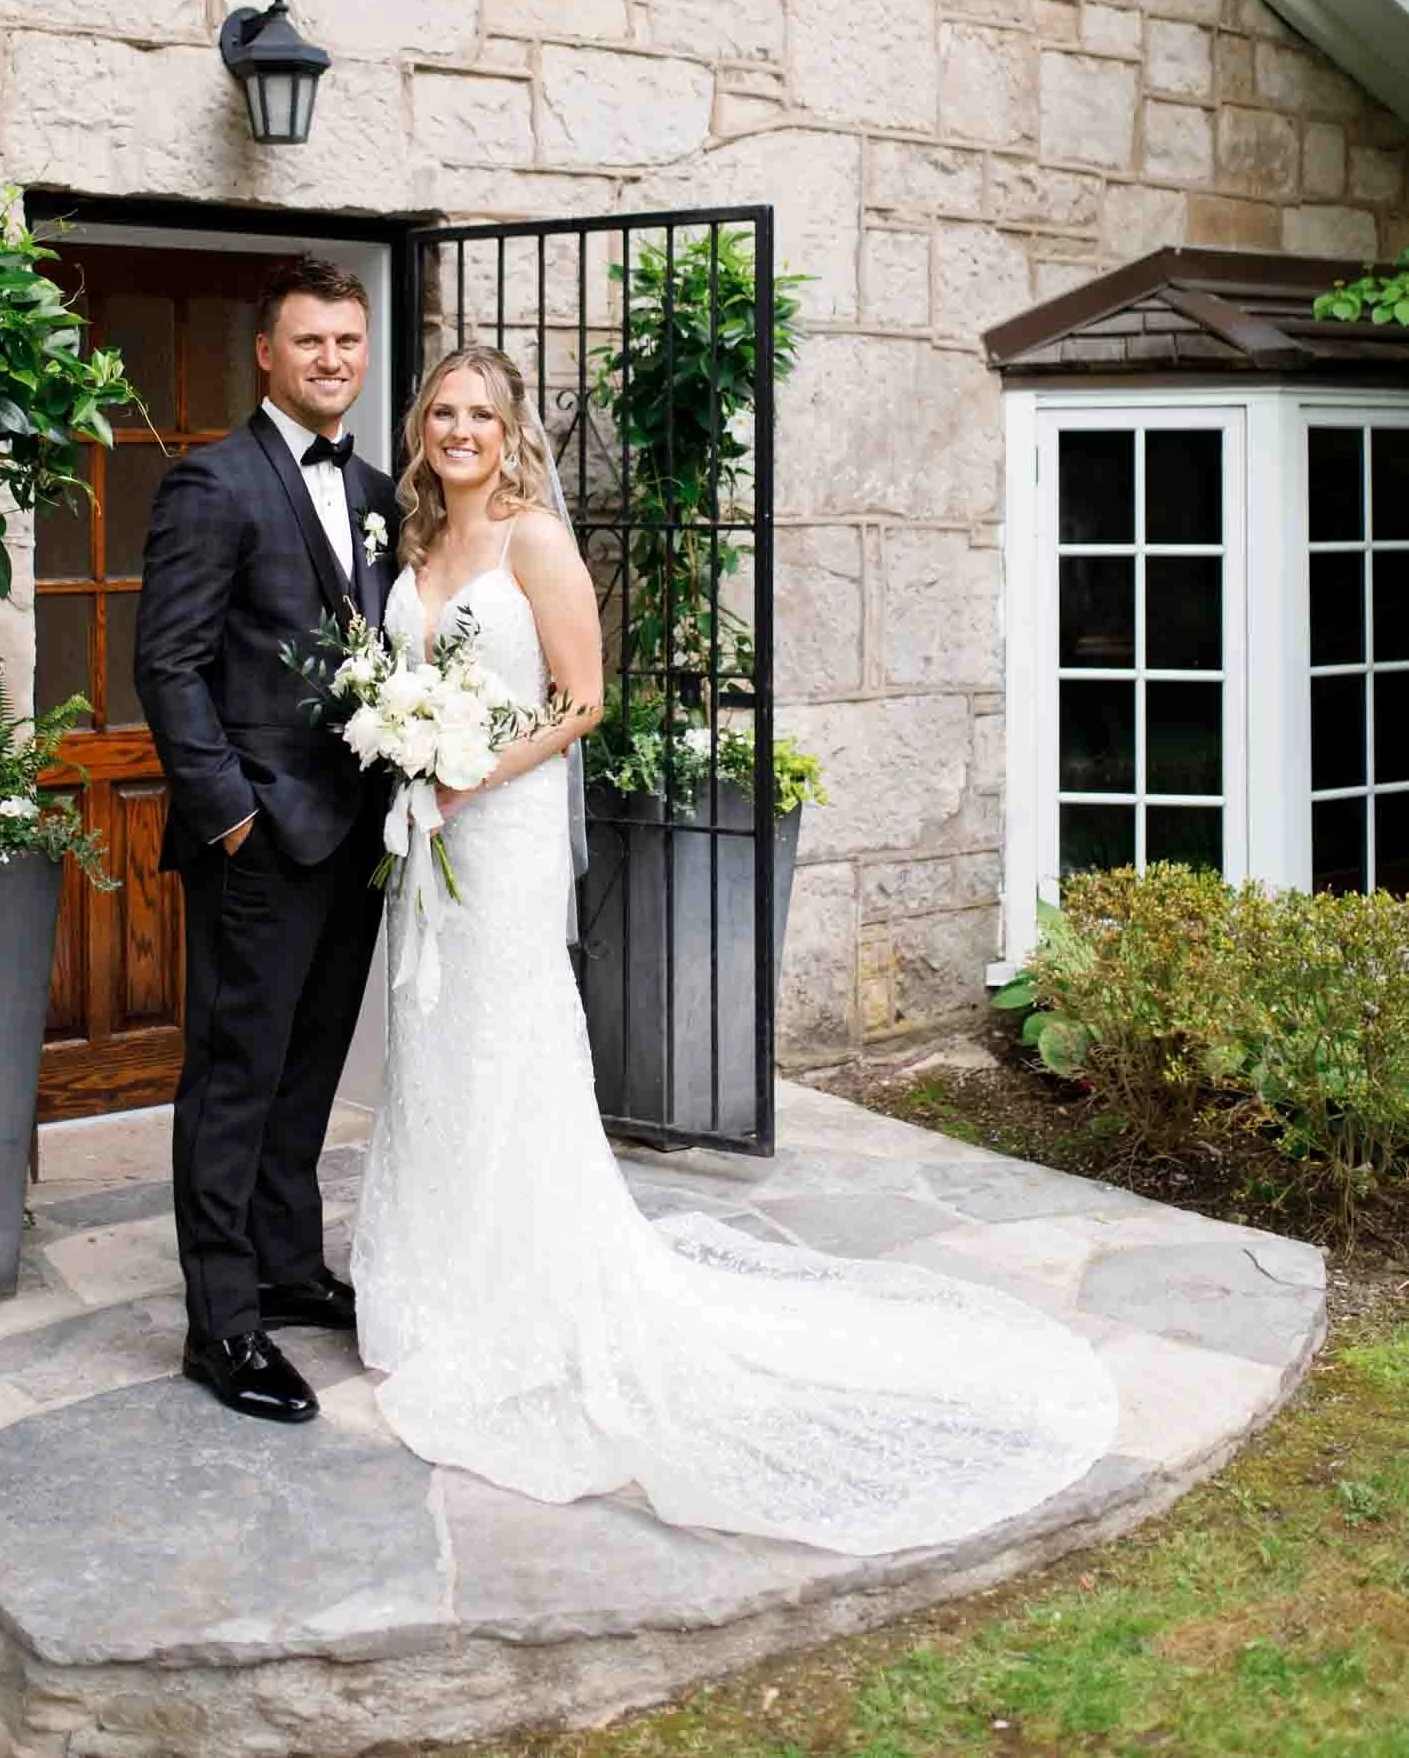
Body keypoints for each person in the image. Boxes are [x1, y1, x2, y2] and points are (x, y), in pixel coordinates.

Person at [352, 345, 1120, 1555]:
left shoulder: (531, 541)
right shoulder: (409, 548)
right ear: (421, 428)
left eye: (480, 416)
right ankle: (434, 1281)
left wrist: (466, 770)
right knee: (436, 1050)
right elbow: (401, 677)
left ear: (510, 435)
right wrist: (404, 752)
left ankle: (522, 1290)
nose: (459, 431)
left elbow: (582, 697)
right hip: (424, 838)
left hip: (495, 835)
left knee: (507, 1043)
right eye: (442, 413)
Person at [134, 254, 399, 1424]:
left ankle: (289, 1267)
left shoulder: (385, 486)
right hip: (259, 840)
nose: (331, 360)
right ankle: (223, 1322)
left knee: (309, 1071)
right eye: (309, 342)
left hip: (356, 839)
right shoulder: (214, 483)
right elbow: (169, 664)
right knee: (235, 1077)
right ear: (266, 351)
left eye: (347, 341)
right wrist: (229, 814)